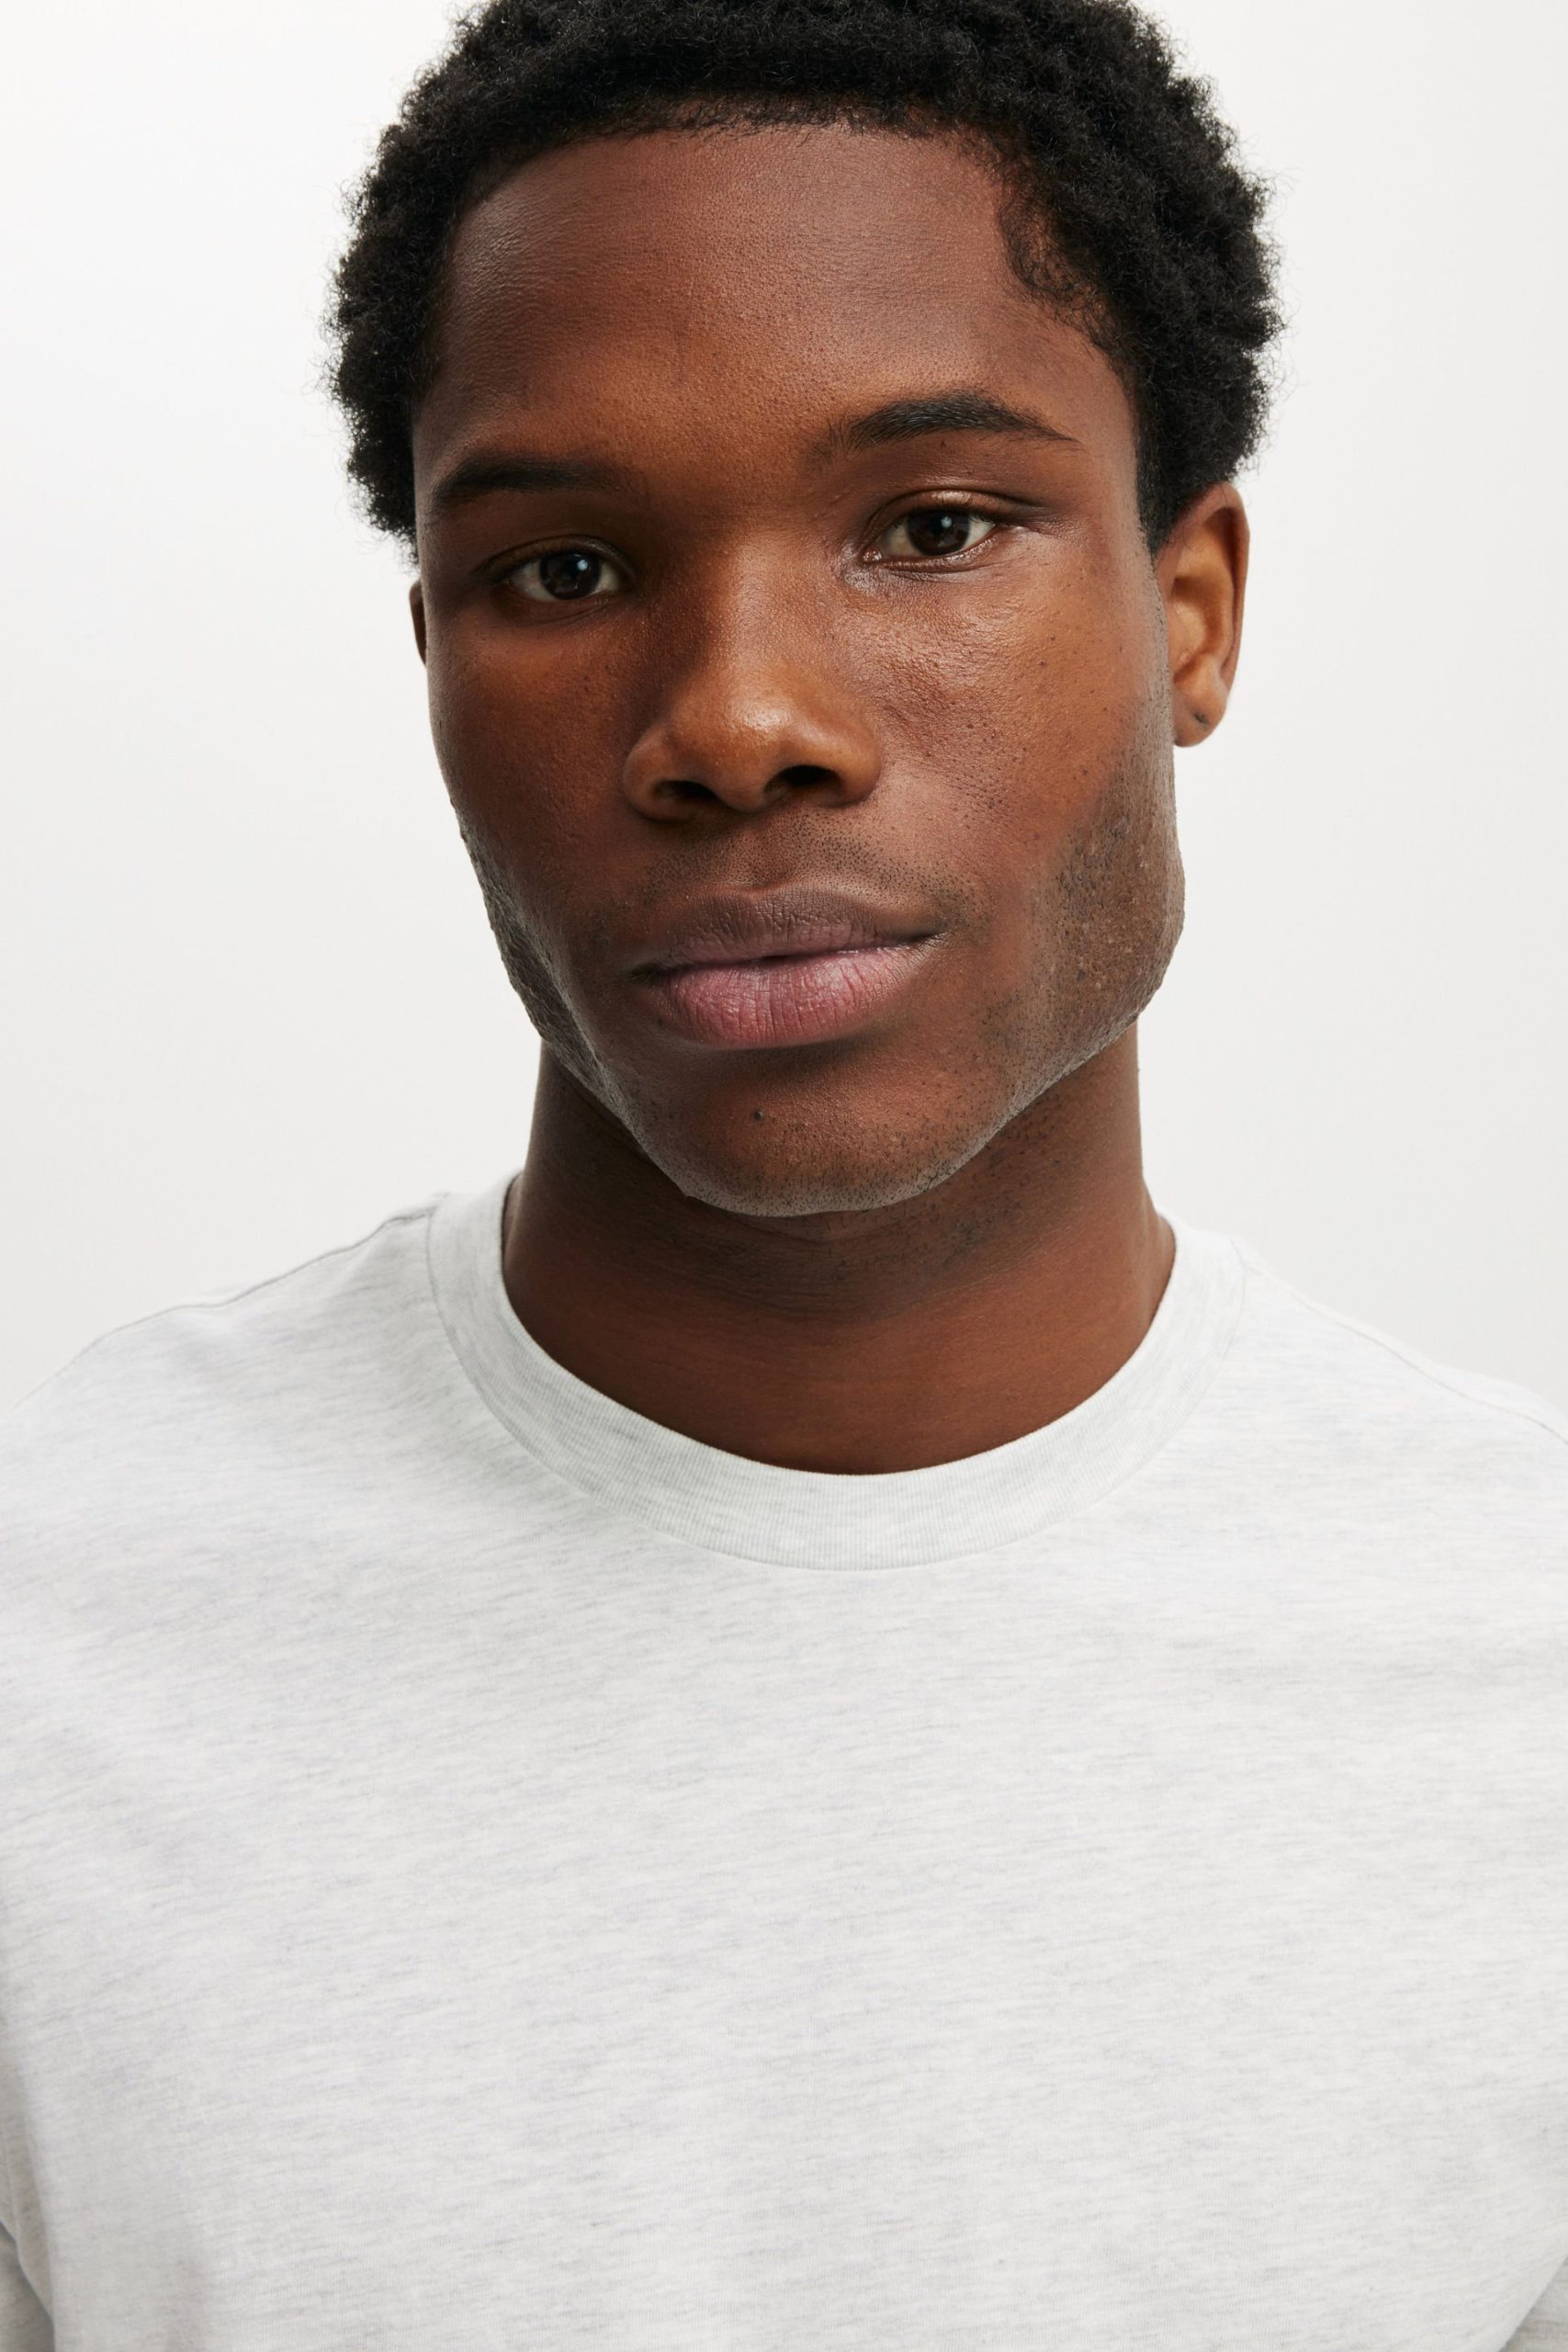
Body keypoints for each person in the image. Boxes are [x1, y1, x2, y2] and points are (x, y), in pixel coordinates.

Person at [2, 0, 1564, 2343]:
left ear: (1189, 609)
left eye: (930, 530)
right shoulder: (52, 1651)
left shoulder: (1518, 1677)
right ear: (431, 662)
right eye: (562, 568)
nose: (738, 720)